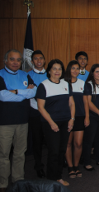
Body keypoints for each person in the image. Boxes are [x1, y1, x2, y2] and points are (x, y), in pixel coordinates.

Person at [0, 49, 36, 192]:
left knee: (20, 152)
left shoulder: (25, 74)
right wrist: (24, 93)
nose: (15, 62)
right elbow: (2, 96)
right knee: (3, 154)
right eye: (12, 59)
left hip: (23, 120)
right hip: (4, 122)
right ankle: (2, 182)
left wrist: (14, 91)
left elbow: (34, 91)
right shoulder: (0, 74)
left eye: (18, 60)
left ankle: (18, 179)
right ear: (5, 61)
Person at [36, 59, 75, 187]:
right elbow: (41, 107)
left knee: (62, 150)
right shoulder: (43, 85)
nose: (57, 71)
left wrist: (72, 119)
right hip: (51, 123)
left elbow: (71, 103)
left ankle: (57, 177)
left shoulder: (66, 84)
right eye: (54, 68)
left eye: (59, 69)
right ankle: (52, 179)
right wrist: (52, 123)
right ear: (49, 71)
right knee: (53, 151)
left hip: (65, 122)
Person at [63, 60, 88, 179]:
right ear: (68, 69)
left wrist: (87, 116)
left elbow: (86, 102)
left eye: (77, 68)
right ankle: (70, 166)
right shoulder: (62, 82)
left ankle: (76, 165)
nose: (75, 71)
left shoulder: (82, 83)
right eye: (73, 68)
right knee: (67, 143)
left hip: (79, 116)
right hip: (65, 117)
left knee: (78, 143)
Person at [82, 64, 99, 171]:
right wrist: (98, 112)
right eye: (97, 72)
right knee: (89, 140)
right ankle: (87, 162)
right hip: (93, 116)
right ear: (92, 73)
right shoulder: (88, 85)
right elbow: (87, 102)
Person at [27, 50, 48, 178]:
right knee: (37, 140)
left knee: (51, 140)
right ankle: (38, 165)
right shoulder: (27, 75)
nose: (39, 61)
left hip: (50, 112)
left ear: (44, 60)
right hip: (35, 111)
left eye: (41, 58)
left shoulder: (51, 73)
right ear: (32, 61)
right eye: (36, 59)